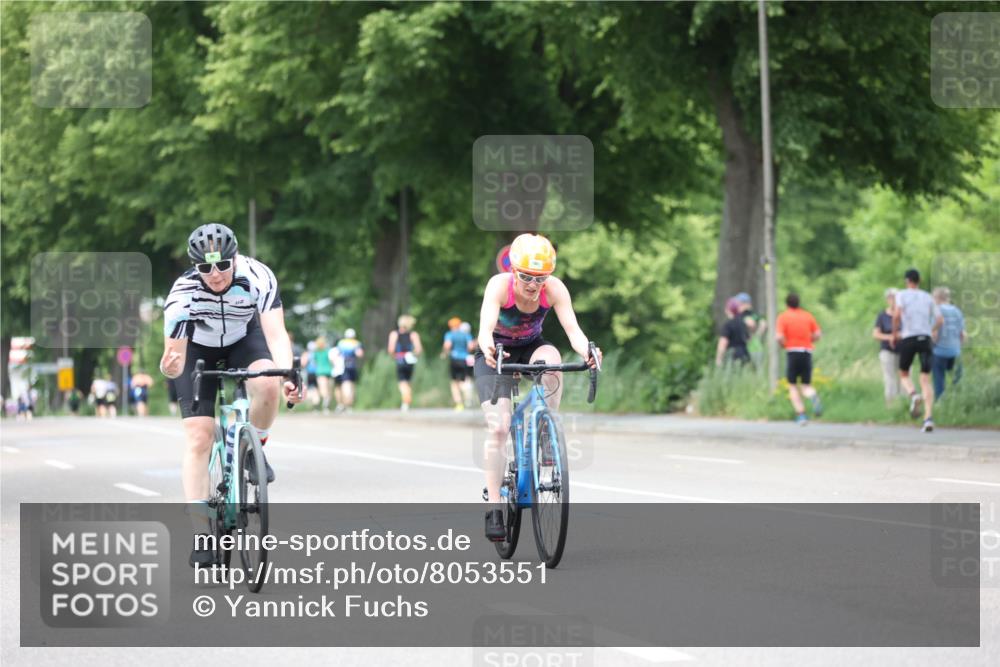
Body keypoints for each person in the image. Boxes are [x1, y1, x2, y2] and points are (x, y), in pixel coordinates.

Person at [159, 223, 302, 568]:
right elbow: (174, 360)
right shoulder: (181, 294)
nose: (216, 274)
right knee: (199, 436)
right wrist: (168, 366)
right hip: (198, 349)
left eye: (223, 264)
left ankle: (256, 448)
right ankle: (201, 534)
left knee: (267, 384)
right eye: (206, 267)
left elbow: (276, 335)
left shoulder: (258, 276)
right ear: (196, 267)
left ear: (234, 258)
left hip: (244, 339)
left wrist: (287, 375)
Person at [475, 233, 601, 542]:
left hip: (531, 346)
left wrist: (588, 352)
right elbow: (485, 328)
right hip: (496, 354)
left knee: (553, 360)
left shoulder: (554, 289)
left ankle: (547, 427)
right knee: (500, 427)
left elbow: (573, 330)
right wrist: (488, 348)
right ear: (514, 270)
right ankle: (494, 507)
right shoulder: (499, 285)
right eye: (527, 277)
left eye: (540, 278)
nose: (533, 285)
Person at [893, 268, 943, 432]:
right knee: (925, 379)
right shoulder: (928, 297)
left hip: (908, 338)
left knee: (904, 373)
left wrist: (894, 334)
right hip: (925, 339)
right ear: (919, 281)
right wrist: (931, 329)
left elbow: (897, 315)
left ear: (907, 281)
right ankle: (928, 418)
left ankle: (914, 395)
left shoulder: (902, 294)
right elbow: (940, 319)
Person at [775, 293, 823, 425]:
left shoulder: (783, 317)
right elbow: (818, 333)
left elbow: (779, 337)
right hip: (807, 351)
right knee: (806, 385)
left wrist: (783, 345)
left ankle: (801, 415)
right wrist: (810, 340)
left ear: (787, 304)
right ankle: (812, 395)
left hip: (792, 352)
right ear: (798, 302)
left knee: (792, 385)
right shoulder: (807, 316)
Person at [931, 286, 966, 400]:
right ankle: (957, 401)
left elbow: (934, 334)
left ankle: (940, 404)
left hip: (939, 352)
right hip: (955, 351)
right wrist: (958, 347)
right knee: (957, 380)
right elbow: (963, 335)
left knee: (939, 380)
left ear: (937, 298)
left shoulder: (936, 311)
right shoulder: (957, 311)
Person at [872, 288, 901, 407]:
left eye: (894, 297)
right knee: (889, 377)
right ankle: (890, 404)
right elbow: (875, 334)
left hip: (903, 349)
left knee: (904, 377)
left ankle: (903, 404)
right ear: (887, 299)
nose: (892, 300)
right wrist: (890, 337)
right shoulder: (882, 315)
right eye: (890, 297)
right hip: (887, 350)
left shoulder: (903, 314)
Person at [388, 315, 423, 412]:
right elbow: (419, 349)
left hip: (400, 359)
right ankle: (406, 401)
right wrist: (413, 354)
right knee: (408, 381)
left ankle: (406, 401)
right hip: (410, 359)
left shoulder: (394, 334)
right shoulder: (413, 335)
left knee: (402, 382)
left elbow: (391, 349)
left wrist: (394, 356)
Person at [443, 317, 474, 411]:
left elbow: (447, 345)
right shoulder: (465, 334)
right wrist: (466, 351)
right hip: (465, 359)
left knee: (454, 382)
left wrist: (445, 353)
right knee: (466, 379)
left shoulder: (449, 334)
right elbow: (471, 346)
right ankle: (468, 398)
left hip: (455, 359)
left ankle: (459, 403)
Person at [715, 297, 750, 367]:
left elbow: (723, 343)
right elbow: (748, 339)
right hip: (744, 353)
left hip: (732, 356)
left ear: (728, 310)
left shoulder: (728, 325)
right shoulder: (743, 323)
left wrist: (719, 359)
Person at [735, 292, 766, 367]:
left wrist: (752, 337)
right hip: (757, 347)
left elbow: (752, 324)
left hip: (749, 349)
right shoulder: (755, 314)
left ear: (744, 303)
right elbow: (763, 324)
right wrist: (758, 335)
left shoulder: (744, 315)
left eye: (738, 303)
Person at [336, 328, 364, 411]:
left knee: (345, 385)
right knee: (352, 385)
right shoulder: (357, 343)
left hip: (343, 367)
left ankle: (346, 404)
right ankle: (349, 405)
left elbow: (337, 354)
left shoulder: (341, 343)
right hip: (353, 366)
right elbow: (360, 354)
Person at [312, 336, 334, 413]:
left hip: (320, 372)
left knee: (323, 389)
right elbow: (331, 361)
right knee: (328, 389)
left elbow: (314, 363)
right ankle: (326, 405)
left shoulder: (316, 352)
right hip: (329, 371)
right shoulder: (328, 351)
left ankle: (324, 405)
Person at [329, 343, 346, 412]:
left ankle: (340, 404)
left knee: (337, 388)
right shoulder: (343, 349)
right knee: (344, 387)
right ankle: (345, 404)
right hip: (344, 370)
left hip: (336, 371)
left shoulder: (332, 351)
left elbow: (331, 361)